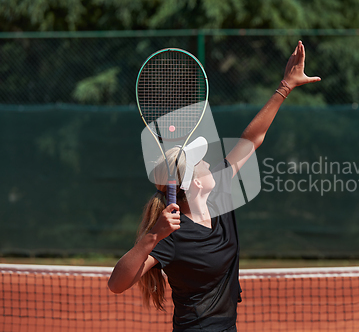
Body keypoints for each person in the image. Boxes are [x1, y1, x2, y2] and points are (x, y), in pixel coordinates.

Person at [108, 40, 320, 331]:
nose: (209, 161)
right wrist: (152, 236)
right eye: (201, 161)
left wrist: (285, 87)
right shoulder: (170, 235)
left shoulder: (219, 197)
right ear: (194, 182)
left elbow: (251, 140)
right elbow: (117, 284)